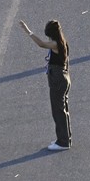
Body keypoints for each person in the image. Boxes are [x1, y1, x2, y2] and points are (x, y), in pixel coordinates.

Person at [19, 19, 71, 151]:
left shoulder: (55, 44)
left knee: (58, 111)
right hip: (64, 77)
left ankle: (63, 142)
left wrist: (28, 31)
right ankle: (64, 138)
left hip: (58, 80)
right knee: (62, 109)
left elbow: (41, 44)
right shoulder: (62, 42)